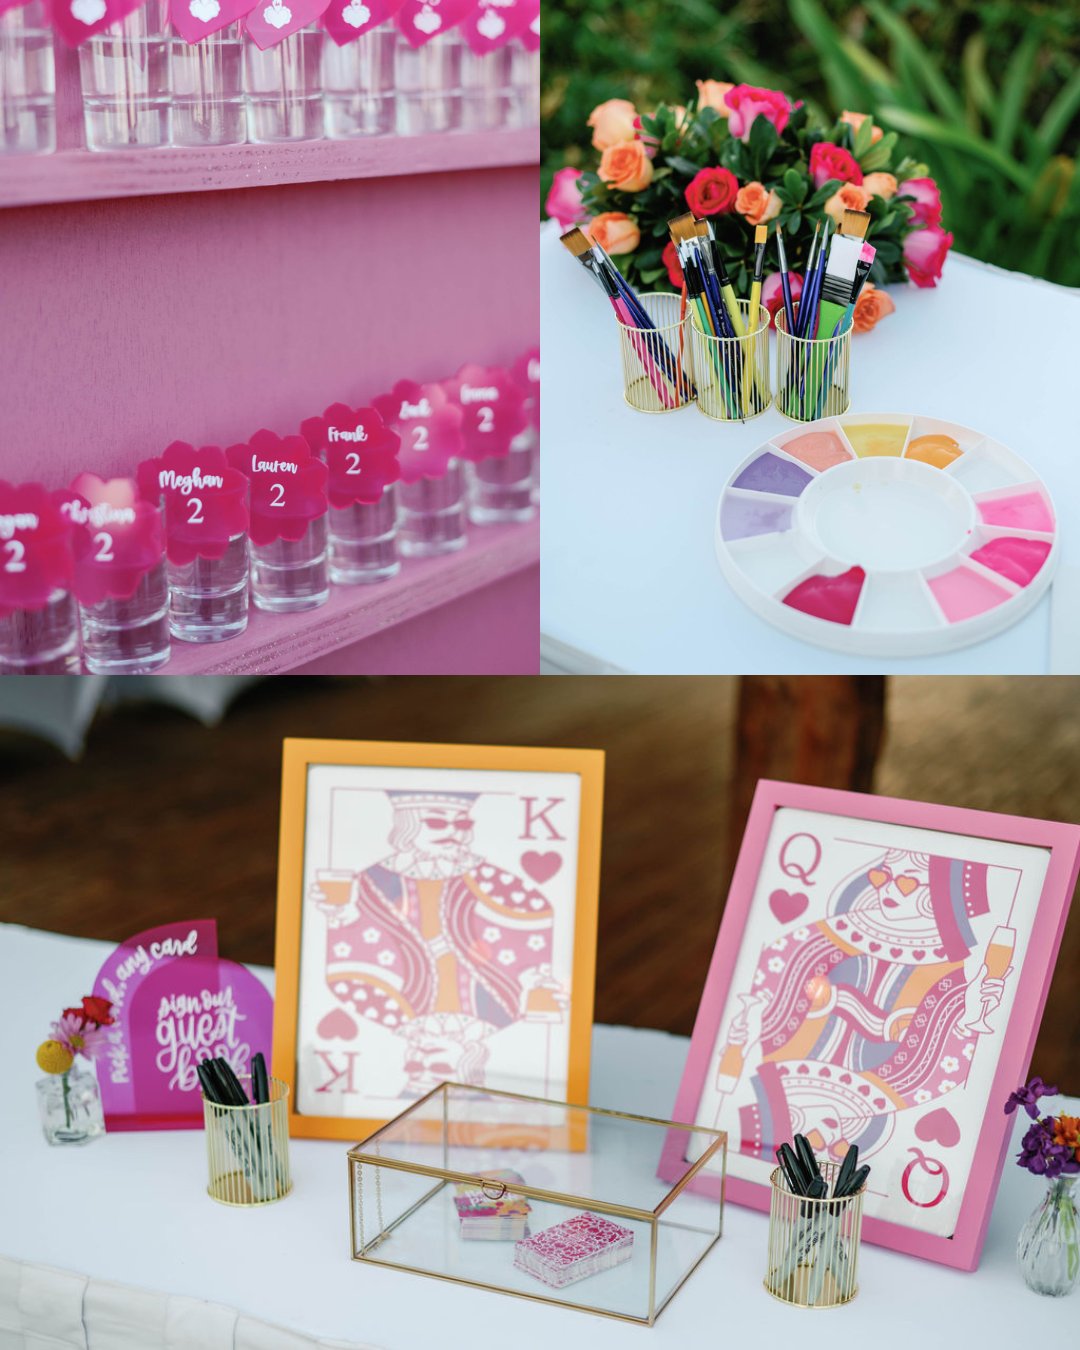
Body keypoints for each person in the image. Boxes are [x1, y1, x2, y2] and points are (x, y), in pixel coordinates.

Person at [713, 849, 1011, 1162]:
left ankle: (825, 1134)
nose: (888, 889)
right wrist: (753, 1021)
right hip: (787, 1084)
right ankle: (812, 1137)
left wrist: (971, 1016)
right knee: (753, 1141)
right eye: (883, 876)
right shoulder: (825, 934)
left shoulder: (949, 969)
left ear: (937, 895)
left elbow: (940, 1058)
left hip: (870, 1098)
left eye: (907, 882)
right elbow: (776, 987)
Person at [310, 789, 565, 1095]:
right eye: (436, 822)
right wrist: (341, 915)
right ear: (407, 823)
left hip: (477, 1008)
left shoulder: (492, 880)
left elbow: (533, 924)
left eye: (462, 824)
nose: (453, 832)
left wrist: (533, 979)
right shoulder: (367, 882)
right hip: (405, 1008)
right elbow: (350, 950)